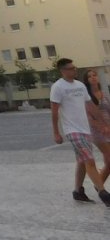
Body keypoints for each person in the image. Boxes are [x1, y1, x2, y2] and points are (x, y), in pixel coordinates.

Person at [50, 58, 110, 205]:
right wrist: (56, 132)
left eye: (74, 67)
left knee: (82, 161)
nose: (74, 70)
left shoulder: (80, 85)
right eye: (71, 68)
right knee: (89, 160)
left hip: (85, 129)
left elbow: (90, 106)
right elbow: (54, 111)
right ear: (63, 71)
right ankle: (103, 193)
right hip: (72, 130)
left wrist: (102, 123)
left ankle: (78, 191)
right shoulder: (58, 87)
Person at [83, 68, 110, 183]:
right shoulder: (86, 96)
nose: (93, 77)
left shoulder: (104, 94)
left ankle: (99, 185)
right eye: (89, 76)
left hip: (108, 129)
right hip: (97, 132)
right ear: (86, 80)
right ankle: (100, 186)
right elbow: (87, 116)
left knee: (108, 162)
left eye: (94, 75)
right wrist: (101, 126)